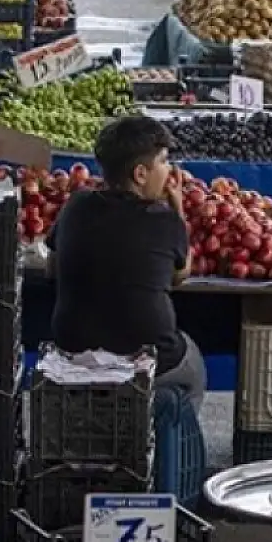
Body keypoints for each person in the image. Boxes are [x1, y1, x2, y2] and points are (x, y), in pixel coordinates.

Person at [50, 116, 206, 410]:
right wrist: (178, 210)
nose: (170, 170)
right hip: (147, 358)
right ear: (140, 174)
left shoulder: (75, 205)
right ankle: (172, 442)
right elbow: (180, 274)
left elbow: (51, 267)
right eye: (163, 161)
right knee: (195, 366)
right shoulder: (164, 219)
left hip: (74, 352)